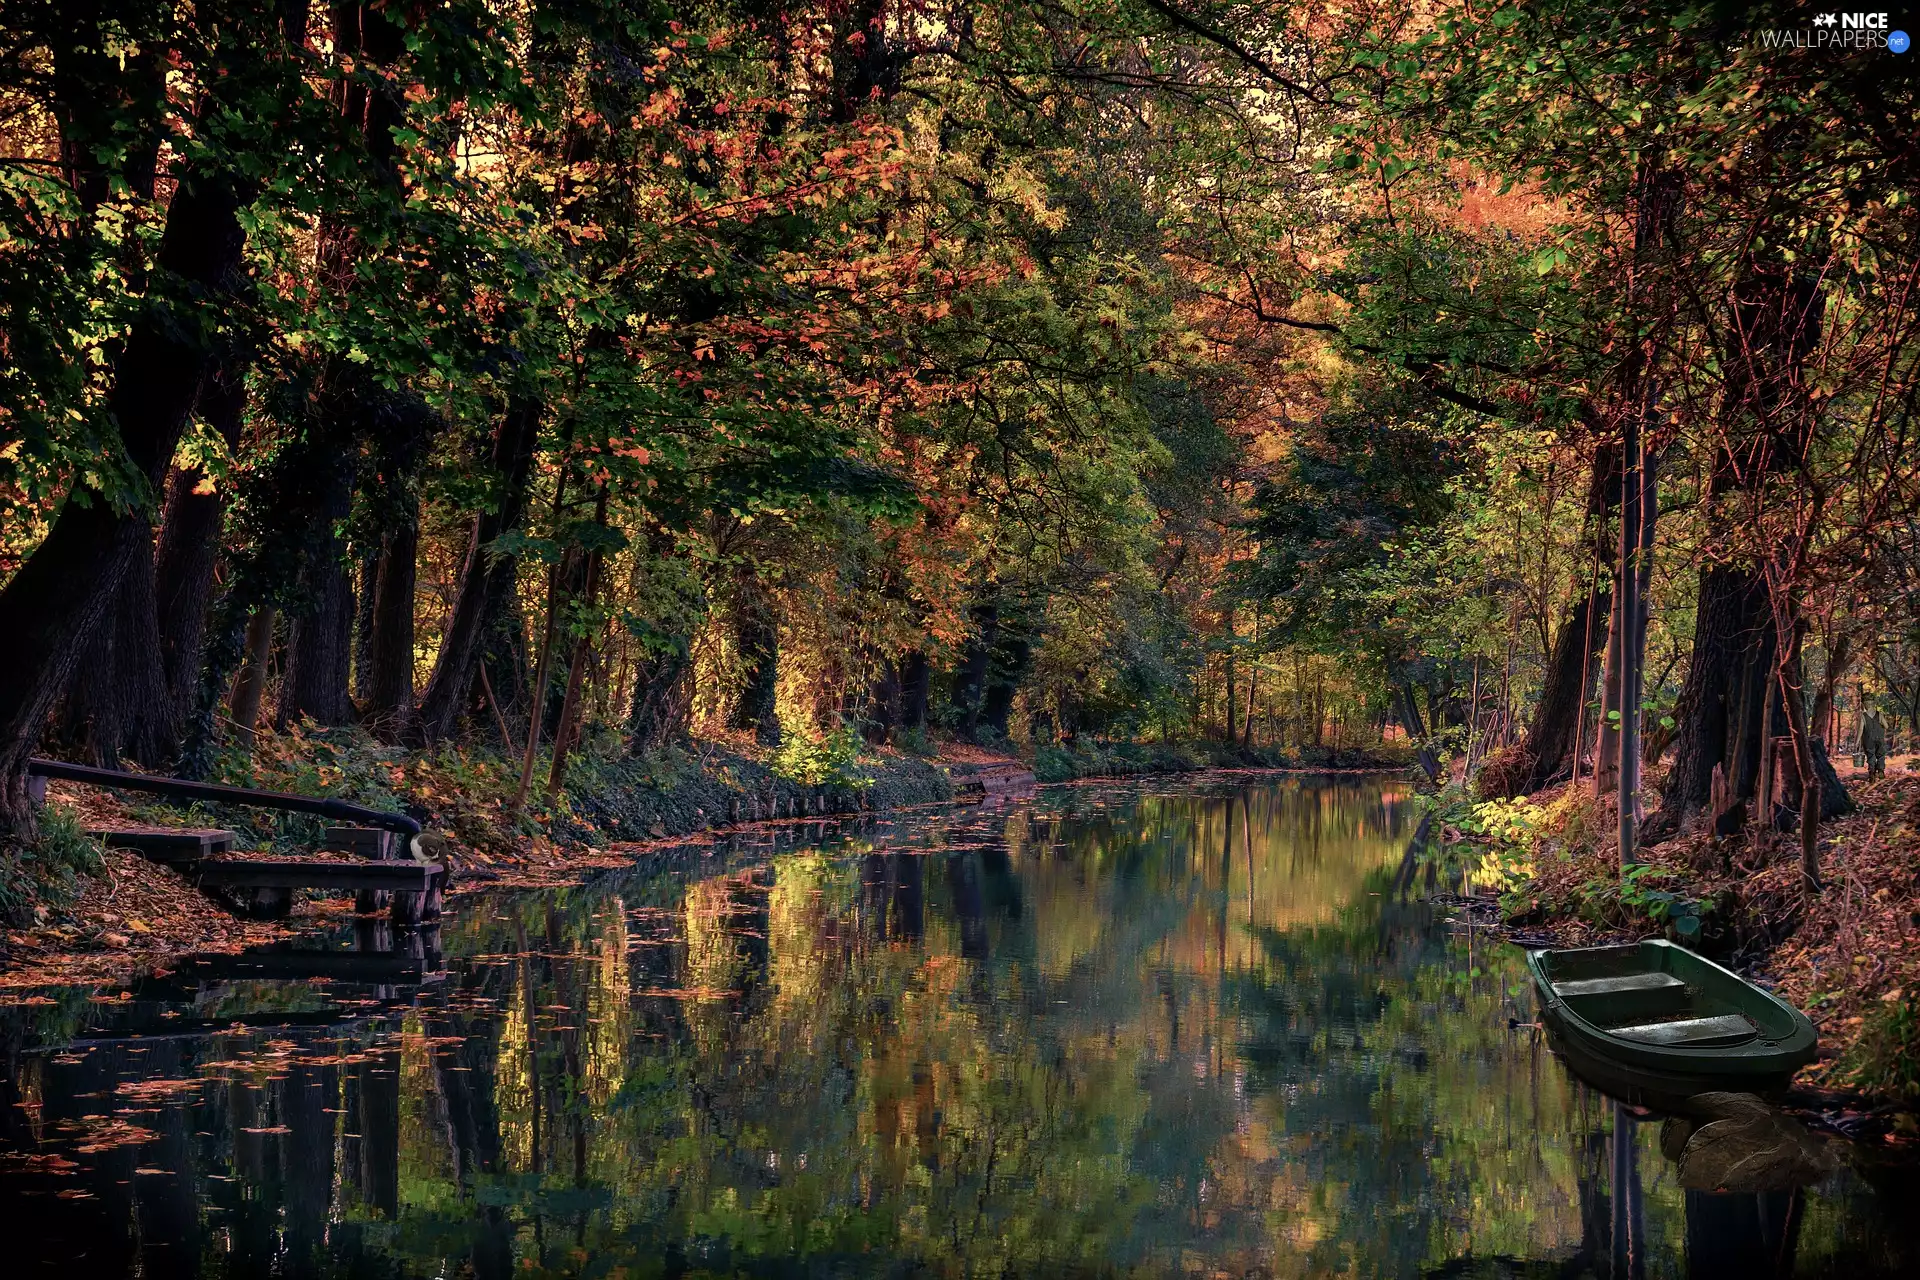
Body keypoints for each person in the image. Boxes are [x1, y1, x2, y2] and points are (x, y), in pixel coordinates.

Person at [1858, 706, 1887, 782]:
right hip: (1879, 738)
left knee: (1871, 755)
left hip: (1868, 739)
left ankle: (1872, 773)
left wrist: (1857, 741)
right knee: (1881, 755)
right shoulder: (1879, 714)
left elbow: (1861, 729)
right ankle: (1880, 771)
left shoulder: (1863, 716)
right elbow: (1886, 726)